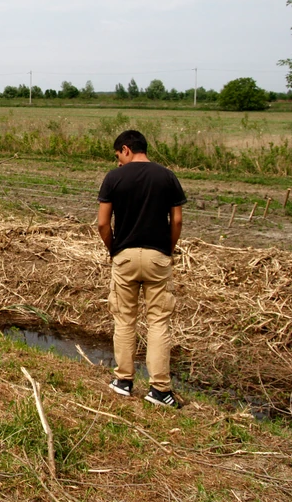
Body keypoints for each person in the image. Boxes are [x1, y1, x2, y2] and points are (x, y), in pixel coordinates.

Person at [97, 130, 186, 408]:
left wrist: (115, 249)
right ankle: (159, 390)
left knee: (124, 319)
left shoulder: (113, 178)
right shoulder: (167, 176)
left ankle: (123, 381)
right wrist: (167, 250)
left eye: (118, 156)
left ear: (126, 149)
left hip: (124, 256)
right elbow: (177, 220)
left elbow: (102, 223)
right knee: (159, 321)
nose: (119, 162)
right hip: (157, 256)